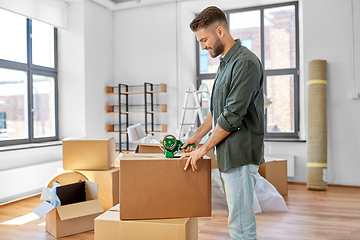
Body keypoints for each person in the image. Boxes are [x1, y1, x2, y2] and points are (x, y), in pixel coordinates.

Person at [181, 6, 265, 240]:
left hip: (240, 153)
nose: (203, 46)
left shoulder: (245, 63)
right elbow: (216, 112)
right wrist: (196, 138)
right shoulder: (226, 64)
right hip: (229, 154)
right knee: (236, 221)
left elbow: (230, 116)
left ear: (220, 31)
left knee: (241, 226)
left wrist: (204, 149)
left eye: (204, 39)